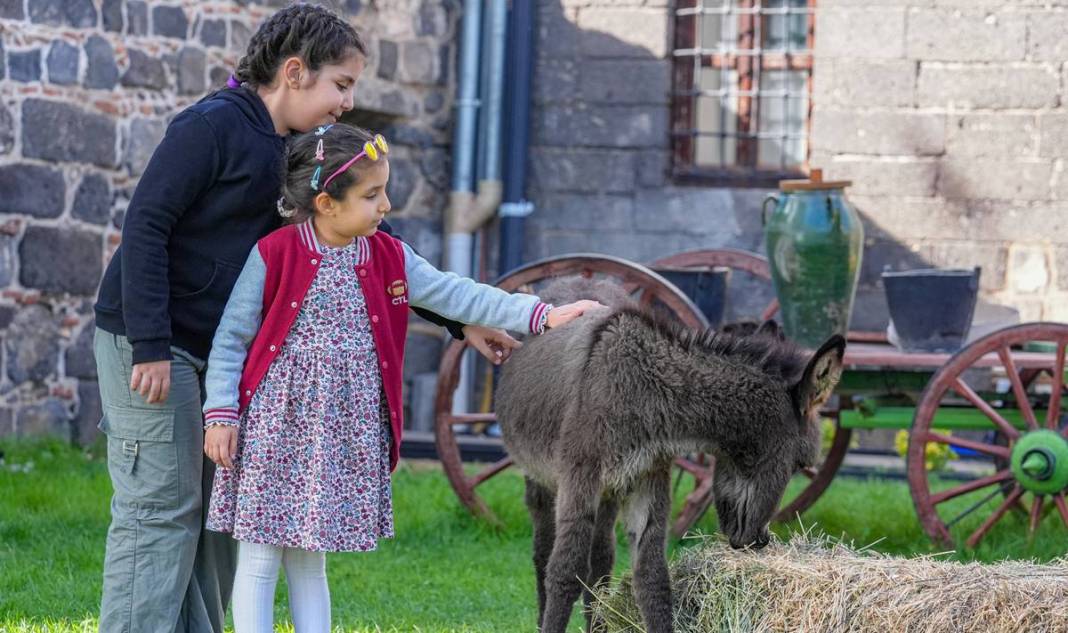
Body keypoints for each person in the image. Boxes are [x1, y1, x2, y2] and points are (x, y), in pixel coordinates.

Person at [90, 5, 516, 631]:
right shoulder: (208, 128)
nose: (347, 103)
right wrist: (151, 344)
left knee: (213, 520)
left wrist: (458, 322)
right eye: (341, 85)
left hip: (222, 358)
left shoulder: (302, 156)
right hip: (151, 343)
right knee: (159, 511)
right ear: (294, 72)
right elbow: (145, 226)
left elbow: (370, 245)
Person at [200, 123, 600, 630]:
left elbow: (458, 294)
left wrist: (540, 315)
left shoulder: (388, 256)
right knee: (259, 559)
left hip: (337, 433)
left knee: (310, 559)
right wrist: (220, 414)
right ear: (326, 203)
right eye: (372, 195)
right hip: (276, 428)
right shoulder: (274, 254)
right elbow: (232, 339)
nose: (385, 205)